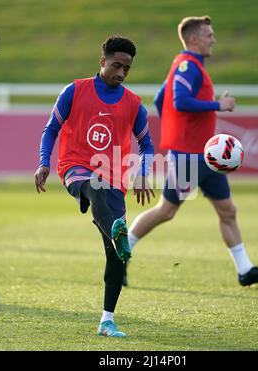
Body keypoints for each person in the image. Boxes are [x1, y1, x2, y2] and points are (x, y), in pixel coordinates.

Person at [126, 16, 258, 287]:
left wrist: (175, 128)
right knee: (166, 211)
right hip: (188, 156)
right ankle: (120, 253)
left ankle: (245, 270)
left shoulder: (188, 65)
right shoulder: (188, 66)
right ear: (194, 39)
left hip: (206, 155)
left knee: (227, 210)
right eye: (209, 35)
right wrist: (217, 106)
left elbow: (161, 99)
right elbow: (180, 101)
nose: (214, 39)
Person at [34, 35, 155, 337]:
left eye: (126, 68)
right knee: (95, 184)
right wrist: (44, 162)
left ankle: (107, 321)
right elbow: (52, 129)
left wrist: (143, 174)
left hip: (114, 181)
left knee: (115, 258)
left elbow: (148, 145)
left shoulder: (133, 104)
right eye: (116, 65)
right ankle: (115, 229)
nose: (121, 73)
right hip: (75, 168)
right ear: (102, 61)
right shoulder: (75, 91)